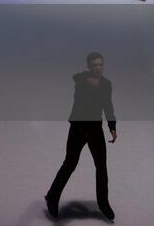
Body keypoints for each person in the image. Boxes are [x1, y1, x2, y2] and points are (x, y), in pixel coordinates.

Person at [44, 52, 116, 222]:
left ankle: (103, 203)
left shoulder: (106, 84)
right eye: (94, 65)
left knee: (101, 166)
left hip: (95, 129)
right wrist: (89, 81)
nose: (98, 68)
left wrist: (112, 126)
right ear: (89, 67)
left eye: (100, 65)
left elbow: (108, 106)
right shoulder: (82, 80)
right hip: (78, 127)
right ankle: (52, 197)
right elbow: (76, 77)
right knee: (70, 164)